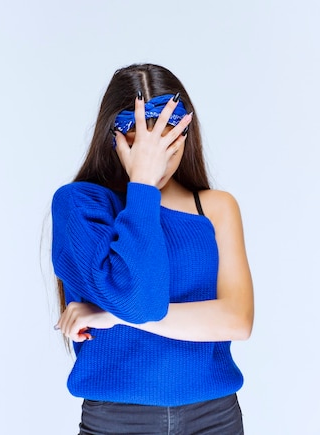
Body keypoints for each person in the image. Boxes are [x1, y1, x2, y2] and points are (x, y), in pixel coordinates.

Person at [51, 63, 254, 435]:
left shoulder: (217, 207)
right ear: (111, 136)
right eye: (137, 135)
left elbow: (238, 321)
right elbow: (140, 302)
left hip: (214, 418)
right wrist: (141, 183)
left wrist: (111, 316)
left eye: (166, 133)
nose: (154, 150)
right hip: (117, 420)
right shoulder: (80, 206)